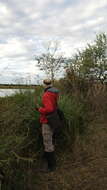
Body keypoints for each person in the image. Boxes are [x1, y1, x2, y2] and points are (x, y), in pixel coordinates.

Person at [35, 79, 59, 172]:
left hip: (47, 121)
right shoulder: (55, 92)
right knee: (50, 140)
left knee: (47, 143)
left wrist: (39, 109)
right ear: (51, 84)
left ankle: (51, 167)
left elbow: (49, 109)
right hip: (54, 119)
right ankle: (47, 161)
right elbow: (54, 106)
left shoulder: (46, 95)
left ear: (44, 85)